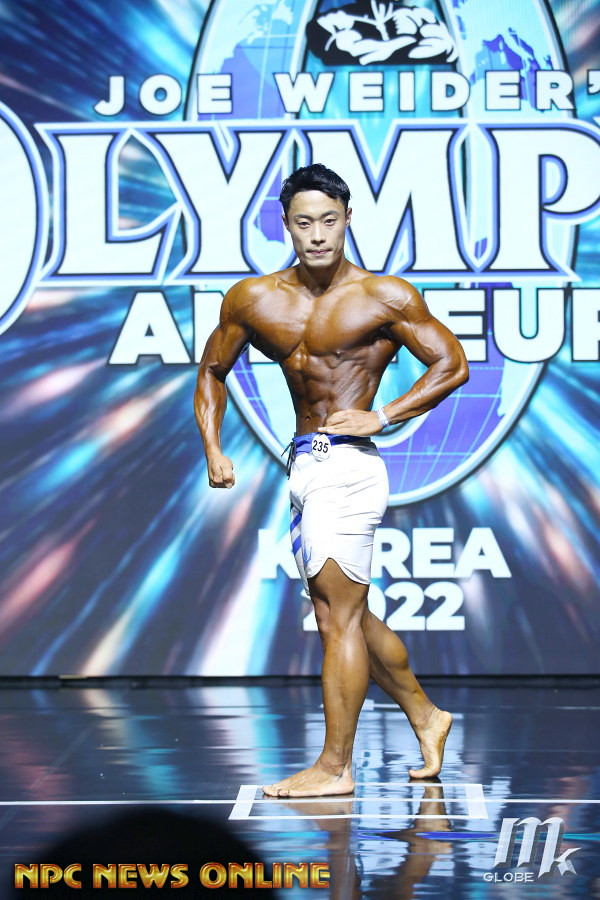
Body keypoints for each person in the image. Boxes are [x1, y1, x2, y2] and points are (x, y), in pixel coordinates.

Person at [194, 164, 468, 798]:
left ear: (347, 220)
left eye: (328, 221)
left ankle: (336, 767)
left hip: (349, 465)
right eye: (303, 223)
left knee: (335, 620)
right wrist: (213, 445)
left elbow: (451, 363)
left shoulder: (382, 296)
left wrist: (384, 414)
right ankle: (427, 716)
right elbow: (212, 370)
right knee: (347, 613)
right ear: (285, 226)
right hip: (305, 464)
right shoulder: (254, 299)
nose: (317, 235)